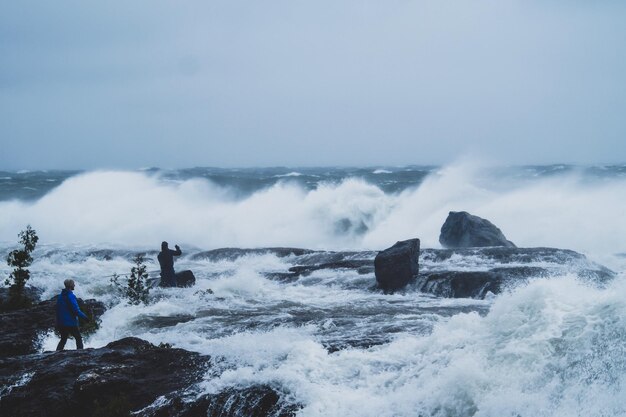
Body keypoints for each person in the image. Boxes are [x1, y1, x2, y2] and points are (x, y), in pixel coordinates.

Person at [55, 279, 89, 351]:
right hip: (70, 322)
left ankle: (56, 353)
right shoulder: (70, 296)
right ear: (70, 285)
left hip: (61, 322)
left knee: (63, 339)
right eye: (73, 284)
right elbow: (76, 310)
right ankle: (80, 353)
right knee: (78, 338)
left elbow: (58, 309)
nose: (74, 285)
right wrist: (85, 318)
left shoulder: (60, 296)